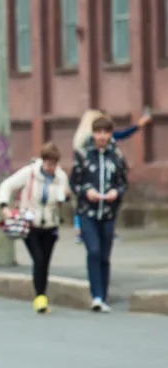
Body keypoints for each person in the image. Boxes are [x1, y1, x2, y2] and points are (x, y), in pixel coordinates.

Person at [0, 143, 69, 314]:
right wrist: (4, 206)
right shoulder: (29, 173)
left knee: (45, 262)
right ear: (42, 161)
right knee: (38, 259)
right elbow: (7, 185)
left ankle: (42, 295)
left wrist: (66, 196)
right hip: (30, 224)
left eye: (54, 164)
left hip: (50, 225)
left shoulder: (61, 177)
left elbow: (62, 198)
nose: (50, 168)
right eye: (48, 164)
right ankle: (40, 297)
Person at [69, 116, 127, 313]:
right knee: (93, 250)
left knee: (104, 255)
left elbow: (123, 183)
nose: (102, 137)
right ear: (93, 134)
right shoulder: (83, 155)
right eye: (98, 132)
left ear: (110, 134)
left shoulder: (116, 156)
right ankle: (96, 296)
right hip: (88, 212)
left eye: (106, 132)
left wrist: (116, 193)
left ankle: (103, 294)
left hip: (109, 213)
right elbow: (74, 182)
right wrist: (86, 191)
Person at [71, 109, 149, 242]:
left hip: (96, 176)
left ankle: (83, 231)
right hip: (98, 175)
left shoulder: (81, 138)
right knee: (90, 201)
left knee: (84, 202)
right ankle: (89, 231)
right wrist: (139, 125)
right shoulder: (91, 142)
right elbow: (121, 135)